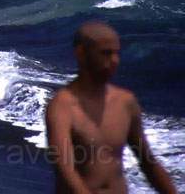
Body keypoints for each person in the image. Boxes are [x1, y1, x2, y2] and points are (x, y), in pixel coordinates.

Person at [46, 21, 176, 194]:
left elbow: (148, 163)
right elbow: (64, 169)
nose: (114, 60)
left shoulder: (125, 102)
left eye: (116, 53)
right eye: (105, 53)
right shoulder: (62, 106)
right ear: (81, 53)